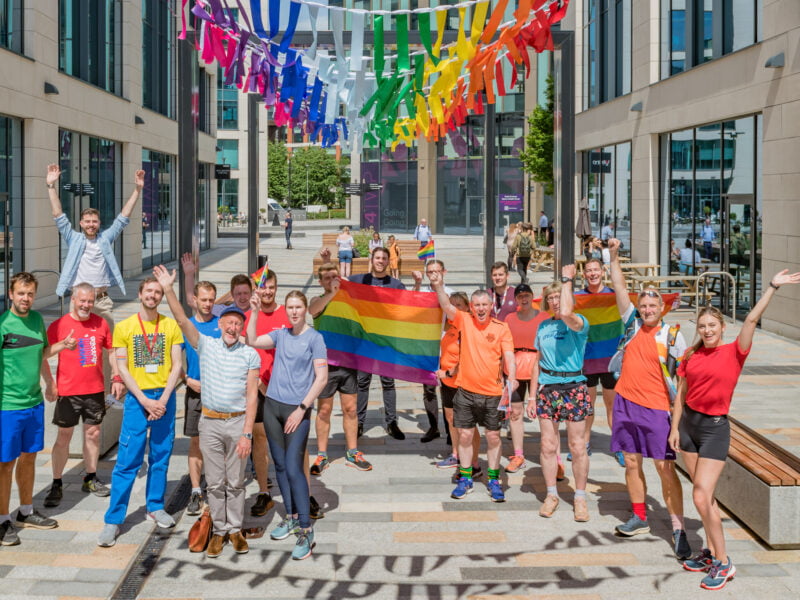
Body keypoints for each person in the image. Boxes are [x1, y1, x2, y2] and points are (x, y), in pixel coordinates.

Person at [669, 269, 800, 590]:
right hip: (688, 427)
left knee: (701, 495)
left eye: (712, 325)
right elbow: (680, 395)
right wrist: (674, 429)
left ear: (722, 327)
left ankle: (725, 563)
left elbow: (752, 320)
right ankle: (711, 551)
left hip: (715, 429)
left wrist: (771, 286)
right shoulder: (691, 355)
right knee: (705, 497)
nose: (707, 330)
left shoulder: (734, 352)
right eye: (702, 326)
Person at [155, 265, 261, 558]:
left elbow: (252, 397)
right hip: (210, 424)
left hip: (237, 422)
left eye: (236, 325)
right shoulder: (207, 346)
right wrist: (167, 289)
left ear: (240, 328)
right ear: (220, 325)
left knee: (236, 482)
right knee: (214, 483)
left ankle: (236, 529)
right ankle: (219, 530)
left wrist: (247, 433)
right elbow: (180, 318)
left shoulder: (249, 354)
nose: (231, 328)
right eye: (227, 323)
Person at [606, 238, 690, 560]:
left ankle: (678, 528)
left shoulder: (672, 336)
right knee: (630, 461)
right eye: (643, 306)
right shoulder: (632, 325)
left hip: (657, 409)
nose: (647, 310)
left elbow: (683, 382)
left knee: (664, 468)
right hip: (626, 403)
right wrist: (613, 256)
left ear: (663, 308)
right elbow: (619, 286)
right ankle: (640, 516)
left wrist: (678, 422)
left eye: (653, 306)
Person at [97, 278, 184, 548]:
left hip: (165, 397)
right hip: (138, 398)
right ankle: (113, 520)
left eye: (158, 292)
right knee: (128, 459)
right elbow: (121, 369)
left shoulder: (170, 325)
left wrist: (165, 399)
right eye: (149, 291)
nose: (153, 296)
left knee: (160, 456)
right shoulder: (125, 327)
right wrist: (146, 400)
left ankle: (155, 506)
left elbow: (177, 364)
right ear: (140, 294)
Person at [247, 290, 328, 561]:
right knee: (279, 465)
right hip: (272, 406)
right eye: (290, 307)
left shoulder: (315, 339)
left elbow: (321, 378)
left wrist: (302, 408)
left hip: (297, 411)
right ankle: (292, 517)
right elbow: (252, 339)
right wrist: (255, 311)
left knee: (295, 467)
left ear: (305, 309)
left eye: (298, 307)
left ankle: (306, 529)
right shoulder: (281, 335)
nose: (294, 311)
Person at [0, 272, 76, 546]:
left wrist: (51, 380)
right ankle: (2, 520)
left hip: (33, 404)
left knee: (30, 457)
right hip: (7, 406)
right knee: (5, 464)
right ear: (11, 294)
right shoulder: (3, 324)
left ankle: (25, 511)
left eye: (30, 293)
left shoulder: (35, 321)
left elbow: (41, 352)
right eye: (21, 293)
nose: (26, 298)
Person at [429, 271, 515, 504]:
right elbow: (447, 306)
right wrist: (438, 286)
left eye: (484, 304)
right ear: (472, 307)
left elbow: (509, 354)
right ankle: (465, 478)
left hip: (493, 393)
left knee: (494, 437)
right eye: (476, 304)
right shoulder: (464, 320)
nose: (480, 308)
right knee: (465, 435)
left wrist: (513, 378)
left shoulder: (501, 327)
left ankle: (494, 479)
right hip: (465, 391)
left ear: (490, 306)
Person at [42, 283, 125, 509]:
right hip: (68, 392)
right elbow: (43, 354)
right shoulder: (59, 325)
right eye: (83, 300)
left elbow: (111, 351)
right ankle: (57, 482)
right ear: (74, 299)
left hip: (95, 390)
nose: (87, 305)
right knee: (64, 437)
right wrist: (50, 383)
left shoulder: (101, 323)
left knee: (93, 434)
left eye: (90, 301)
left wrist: (116, 376)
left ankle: (90, 477)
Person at [46, 163, 144, 331]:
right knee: (75, 344)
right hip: (78, 301)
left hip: (101, 300)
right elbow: (58, 215)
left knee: (108, 346)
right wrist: (51, 186)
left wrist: (137, 189)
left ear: (99, 223)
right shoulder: (74, 238)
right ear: (81, 223)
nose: (91, 225)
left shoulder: (105, 238)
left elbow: (123, 217)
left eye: (94, 221)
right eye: (87, 221)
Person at [528, 266, 592, 521]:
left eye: (559, 296)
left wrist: (567, 281)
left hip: (574, 386)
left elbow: (567, 312)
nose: (555, 302)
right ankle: (552, 493)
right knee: (547, 445)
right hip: (548, 387)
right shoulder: (543, 326)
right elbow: (537, 361)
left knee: (577, 446)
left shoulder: (579, 322)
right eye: (551, 298)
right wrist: (532, 396)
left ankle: (579, 496)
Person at [309, 263, 372, 474]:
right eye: (326, 278)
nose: (331, 280)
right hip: (326, 366)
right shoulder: (319, 300)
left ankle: (352, 452)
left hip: (349, 364)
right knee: (324, 410)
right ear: (320, 282)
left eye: (334, 276)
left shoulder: (349, 301)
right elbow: (313, 310)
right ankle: (322, 454)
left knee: (351, 409)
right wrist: (333, 294)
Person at [244, 270, 290, 518]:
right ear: (256, 289)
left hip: (285, 389)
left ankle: (299, 491)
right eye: (263, 287)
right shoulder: (249, 316)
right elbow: (244, 353)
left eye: (271, 287)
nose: (268, 291)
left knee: (293, 443)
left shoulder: (287, 314)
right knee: (260, 441)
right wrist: (259, 384)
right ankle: (264, 492)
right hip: (259, 389)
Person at [180, 252, 222, 516]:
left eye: (211, 300)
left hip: (220, 393)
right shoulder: (186, 326)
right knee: (196, 443)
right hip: (196, 392)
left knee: (219, 443)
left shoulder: (222, 324)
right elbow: (174, 361)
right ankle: (196, 490)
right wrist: (186, 379)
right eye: (203, 300)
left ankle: (218, 487)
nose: (207, 304)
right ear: (195, 301)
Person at [350, 247, 407, 440]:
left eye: (384, 258)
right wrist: (327, 260)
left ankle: (392, 422)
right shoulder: (357, 281)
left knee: (388, 382)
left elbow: (409, 308)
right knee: (362, 383)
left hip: (386, 342)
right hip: (364, 342)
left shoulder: (396, 285)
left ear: (388, 261)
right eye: (378, 258)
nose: (381, 261)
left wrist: (417, 284)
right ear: (372, 260)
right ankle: (358, 422)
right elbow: (334, 284)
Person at [574, 258, 626, 468]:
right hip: (586, 359)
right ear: (583, 274)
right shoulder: (578, 298)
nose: (593, 273)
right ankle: (585, 443)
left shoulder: (614, 296)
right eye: (589, 270)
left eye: (596, 270)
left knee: (613, 406)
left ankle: (619, 446)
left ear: (602, 272)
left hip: (611, 361)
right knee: (587, 405)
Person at [503, 284, 549, 475]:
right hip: (514, 366)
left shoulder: (544, 317)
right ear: (516, 299)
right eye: (520, 296)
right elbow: (504, 345)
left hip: (539, 366)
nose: (524, 299)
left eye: (527, 295)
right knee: (515, 411)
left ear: (532, 297)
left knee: (545, 414)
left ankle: (553, 456)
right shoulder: (510, 318)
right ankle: (518, 454)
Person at [433, 292, 481, 475]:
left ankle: (473, 462)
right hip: (447, 383)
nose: (454, 308)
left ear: (467, 307)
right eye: (451, 305)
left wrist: (448, 372)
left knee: (468, 424)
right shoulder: (450, 326)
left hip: (463, 381)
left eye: (458, 305)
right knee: (452, 420)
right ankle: (456, 453)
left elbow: (468, 358)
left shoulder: (468, 326)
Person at [412, 260, 456, 444]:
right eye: (430, 272)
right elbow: (410, 306)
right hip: (427, 346)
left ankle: (450, 429)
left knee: (448, 387)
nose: (434, 275)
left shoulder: (451, 293)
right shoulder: (422, 291)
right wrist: (417, 284)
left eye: (437, 271)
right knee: (429, 389)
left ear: (444, 271)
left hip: (447, 345)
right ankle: (433, 427)